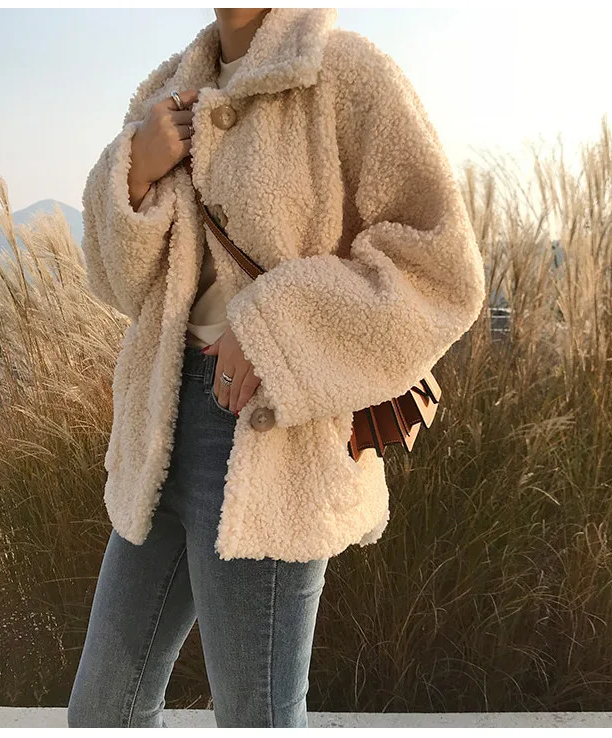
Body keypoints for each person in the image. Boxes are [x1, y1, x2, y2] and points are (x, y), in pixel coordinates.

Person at [68, 7, 486, 729]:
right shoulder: (168, 91)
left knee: (256, 717)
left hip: (267, 435)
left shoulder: (342, 72)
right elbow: (119, 285)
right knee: (103, 711)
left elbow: (441, 270)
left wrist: (275, 327)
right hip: (156, 426)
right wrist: (131, 171)